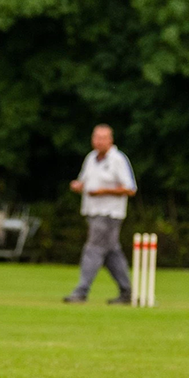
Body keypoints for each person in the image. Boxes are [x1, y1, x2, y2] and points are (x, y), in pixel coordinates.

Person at [63, 123, 137, 304]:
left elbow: (130, 189)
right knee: (112, 253)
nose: (98, 141)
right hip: (92, 212)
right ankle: (127, 292)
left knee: (93, 249)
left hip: (109, 214)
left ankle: (81, 291)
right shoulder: (90, 158)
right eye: (96, 137)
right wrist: (79, 186)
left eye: (102, 138)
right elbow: (85, 182)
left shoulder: (118, 160)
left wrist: (104, 191)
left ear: (110, 140)